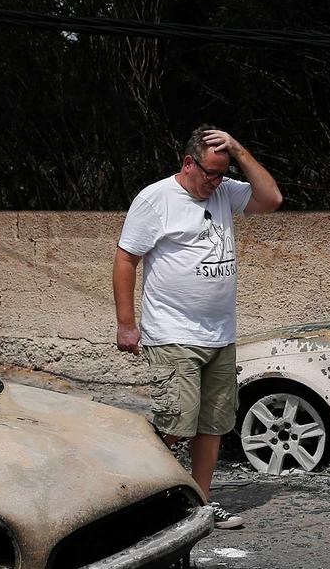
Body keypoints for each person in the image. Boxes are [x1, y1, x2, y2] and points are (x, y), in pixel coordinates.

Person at [113, 125, 283, 529]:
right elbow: (125, 260)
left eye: (222, 174)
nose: (215, 182)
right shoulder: (156, 199)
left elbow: (272, 198)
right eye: (209, 172)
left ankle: (199, 504)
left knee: (211, 426)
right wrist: (126, 324)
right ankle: (127, 489)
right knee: (176, 422)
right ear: (188, 163)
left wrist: (238, 149)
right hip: (172, 333)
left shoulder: (224, 191)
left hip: (219, 334)